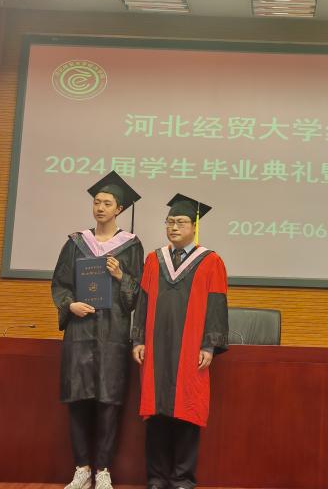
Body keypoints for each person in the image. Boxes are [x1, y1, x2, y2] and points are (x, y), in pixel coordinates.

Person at [51, 171, 144, 489]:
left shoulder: (130, 246)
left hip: (112, 333)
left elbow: (137, 294)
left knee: (108, 401)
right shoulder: (76, 243)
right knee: (78, 400)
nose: (100, 207)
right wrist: (70, 305)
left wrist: (121, 277)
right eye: (97, 202)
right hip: (80, 332)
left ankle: (103, 470)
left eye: (107, 203)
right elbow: (60, 284)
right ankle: (82, 469)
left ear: (119, 208)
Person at [131, 193, 229, 489]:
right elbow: (143, 301)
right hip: (156, 348)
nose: (173, 227)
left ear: (194, 226)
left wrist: (209, 345)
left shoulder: (211, 261)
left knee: (187, 409)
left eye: (181, 222)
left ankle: (183, 478)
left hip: (190, 349)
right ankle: (157, 477)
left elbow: (216, 304)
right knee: (157, 411)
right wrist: (138, 339)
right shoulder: (154, 260)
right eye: (170, 221)